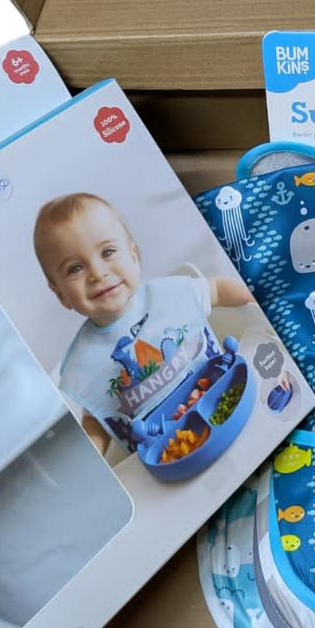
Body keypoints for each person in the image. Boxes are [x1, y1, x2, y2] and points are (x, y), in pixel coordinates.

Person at [33, 192, 252, 454]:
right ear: (60, 294)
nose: (98, 273)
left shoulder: (169, 296)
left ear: (133, 255)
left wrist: (254, 298)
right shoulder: (85, 361)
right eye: (75, 269)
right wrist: (93, 450)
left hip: (226, 397)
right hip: (168, 451)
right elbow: (98, 417)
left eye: (108, 252)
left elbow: (215, 290)